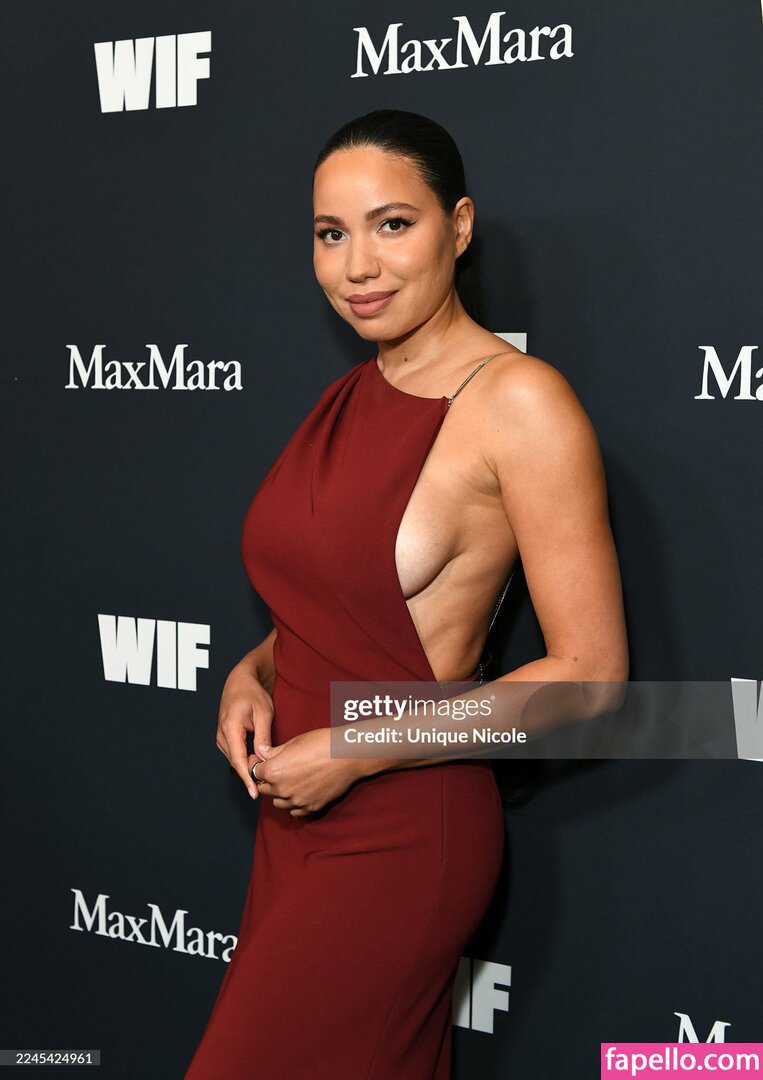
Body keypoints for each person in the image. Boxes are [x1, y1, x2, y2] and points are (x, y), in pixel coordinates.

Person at [183, 108, 628, 1079]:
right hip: (296, 819)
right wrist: (251, 674)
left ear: (457, 228)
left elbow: (591, 679)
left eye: (392, 225)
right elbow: (334, 609)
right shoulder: (344, 396)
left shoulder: (519, 402)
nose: (357, 267)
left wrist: (352, 746)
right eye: (329, 234)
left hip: (402, 829)